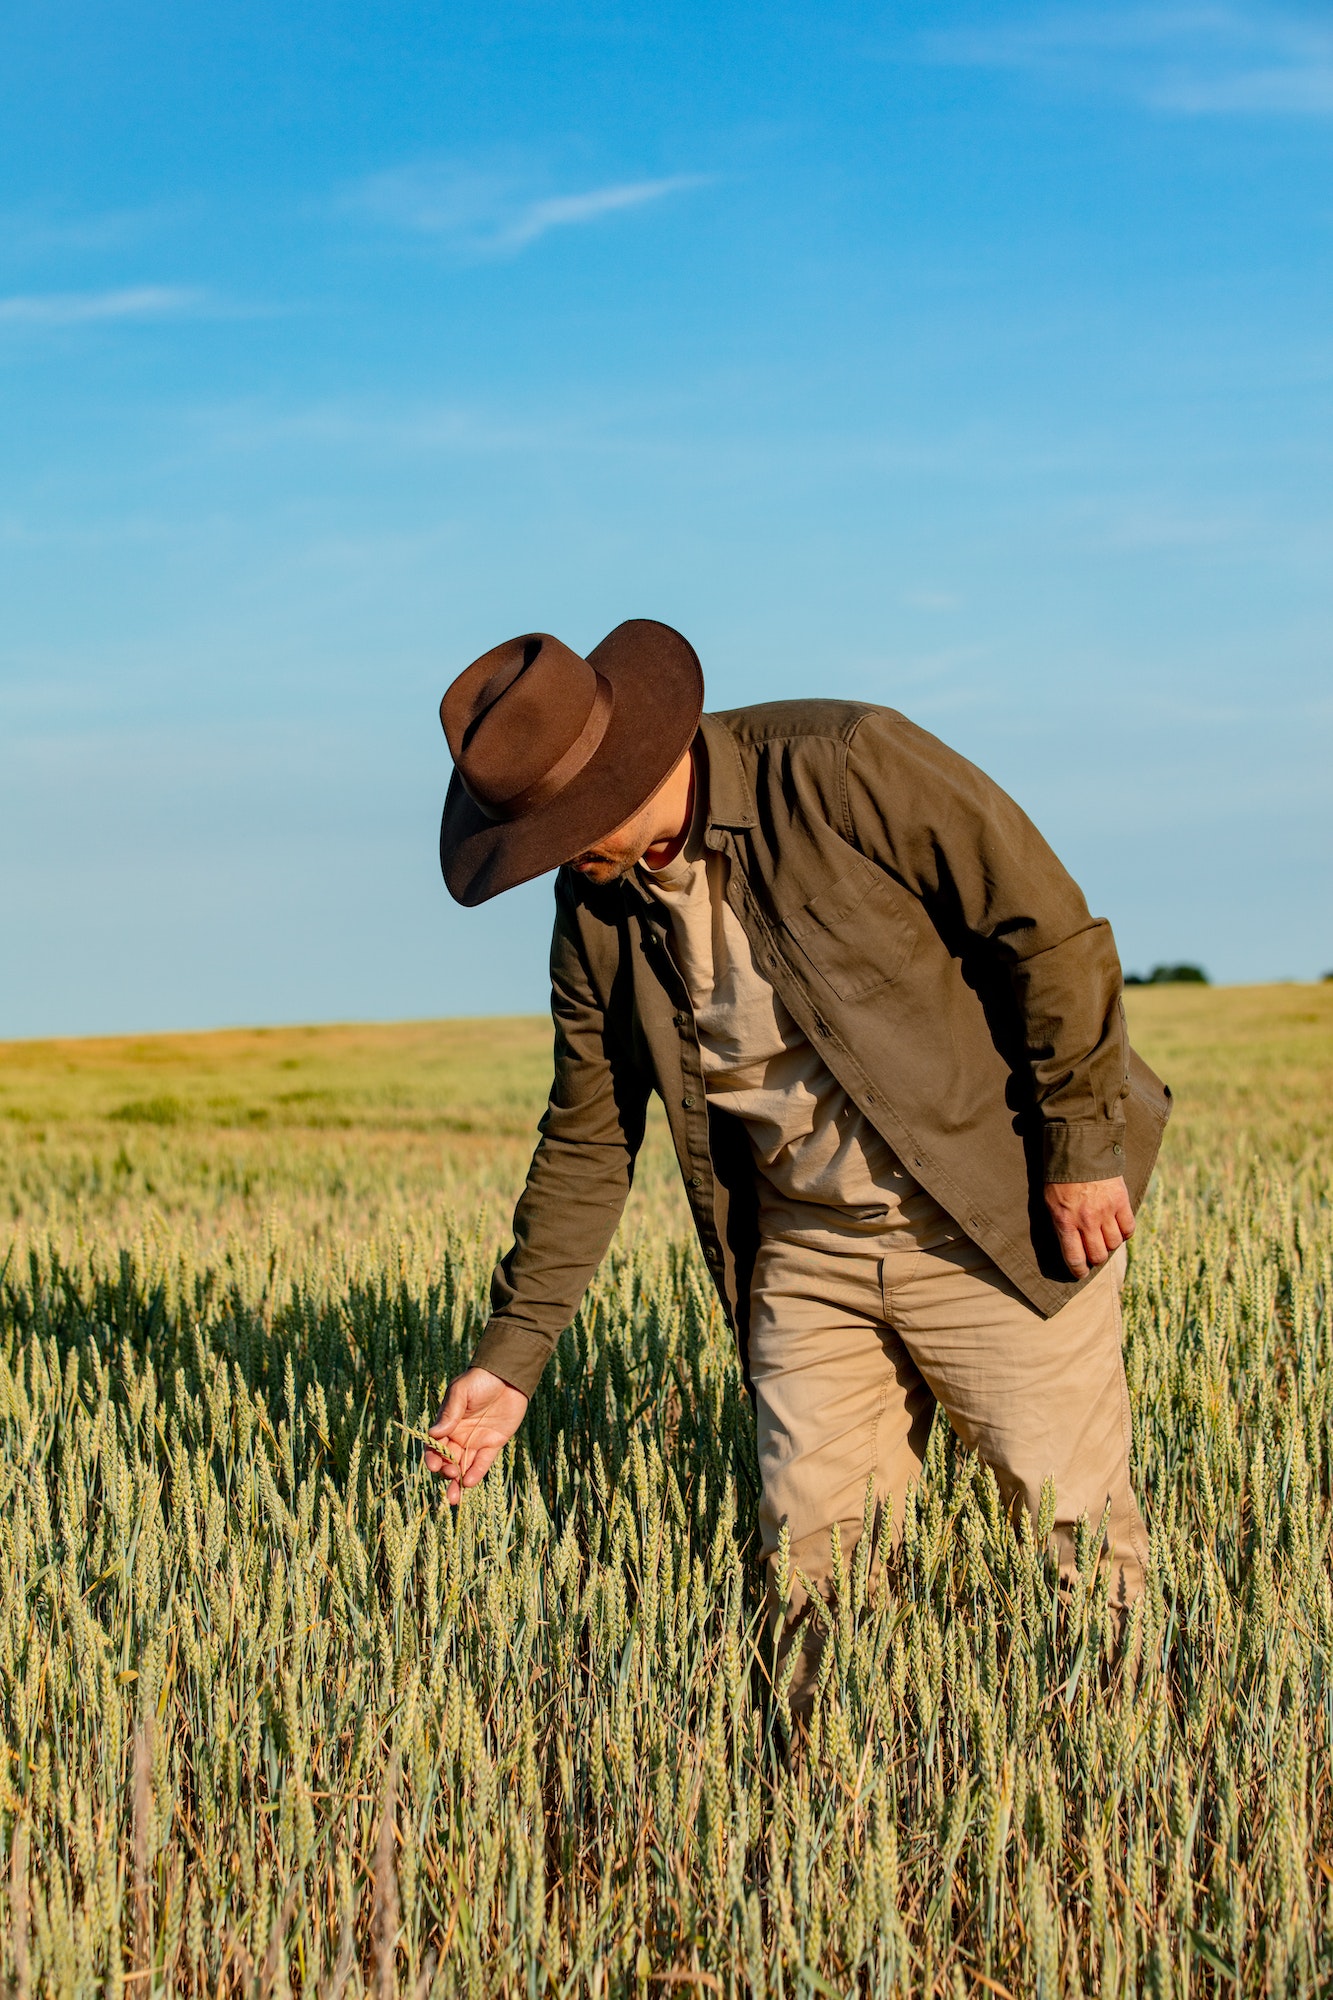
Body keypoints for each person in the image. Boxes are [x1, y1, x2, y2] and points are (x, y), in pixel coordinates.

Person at [424, 619, 1170, 1712]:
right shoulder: (592, 911)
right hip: (807, 1248)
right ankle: (823, 1810)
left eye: (552, 828)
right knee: (810, 1562)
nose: (545, 857)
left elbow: (1048, 932)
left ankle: (1120, 1779)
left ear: (623, 770)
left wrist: (1080, 1147)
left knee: (1072, 1531)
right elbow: (588, 1135)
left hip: (987, 1215)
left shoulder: (845, 762)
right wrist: (510, 1357)